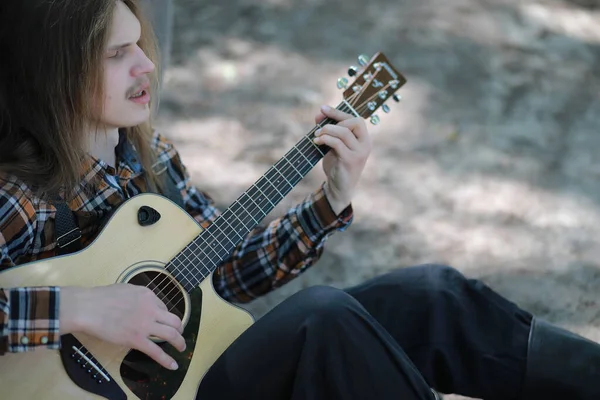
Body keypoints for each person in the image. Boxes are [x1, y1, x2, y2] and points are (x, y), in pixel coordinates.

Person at [0, 1, 598, 399]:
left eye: (140, 45)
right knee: (323, 320)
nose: (146, 65)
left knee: (431, 297)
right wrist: (79, 308)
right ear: (58, 73)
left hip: (201, 368)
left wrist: (327, 201)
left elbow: (223, 272)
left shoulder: (145, 152)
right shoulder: (18, 199)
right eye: (116, 54)